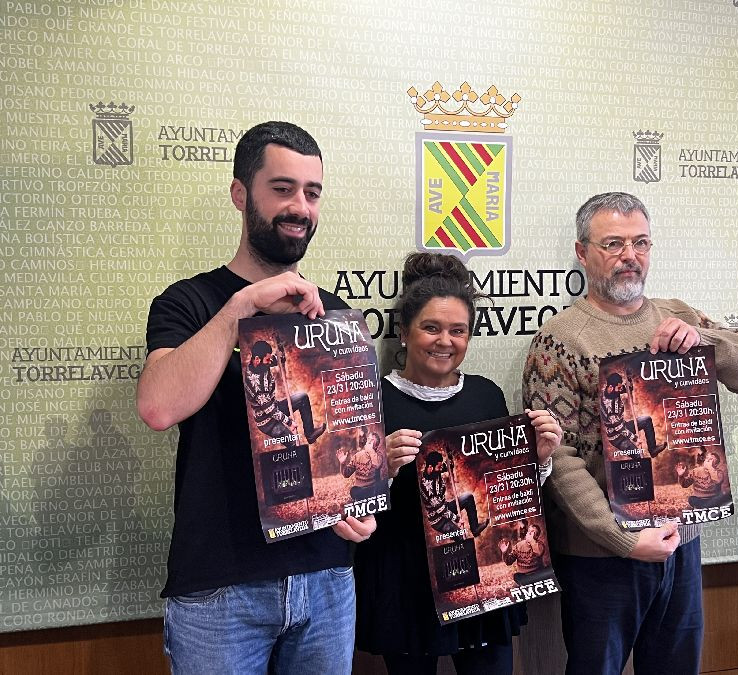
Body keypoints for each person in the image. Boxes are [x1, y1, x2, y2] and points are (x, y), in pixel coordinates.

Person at [136, 121, 375, 675]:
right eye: (282, 189)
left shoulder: (335, 315)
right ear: (241, 194)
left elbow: (345, 440)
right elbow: (158, 407)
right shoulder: (190, 303)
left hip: (326, 578)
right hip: (221, 587)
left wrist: (359, 504)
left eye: (312, 193)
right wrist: (240, 310)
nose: (300, 207)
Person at [522, 191, 738, 675]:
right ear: (582, 252)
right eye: (613, 244)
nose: (629, 256)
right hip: (601, 556)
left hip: (682, 543)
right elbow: (559, 459)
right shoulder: (558, 340)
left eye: (640, 243)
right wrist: (622, 538)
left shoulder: (678, 316)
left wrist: (706, 341)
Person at [353, 252, 562, 675]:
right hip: (404, 580)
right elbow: (343, 499)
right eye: (431, 327)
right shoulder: (372, 399)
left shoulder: (487, 395)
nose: (444, 341)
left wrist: (537, 459)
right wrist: (381, 470)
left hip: (483, 577)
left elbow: (508, 498)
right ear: (403, 332)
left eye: (458, 330)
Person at [419, 449, 487, 540]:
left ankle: (475, 529)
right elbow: (440, 510)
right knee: (461, 538)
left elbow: (448, 466)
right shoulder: (426, 487)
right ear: (430, 467)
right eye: (439, 467)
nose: (441, 469)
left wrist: (449, 457)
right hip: (439, 520)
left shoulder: (435, 470)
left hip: (445, 507)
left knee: (468, 497)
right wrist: (457, 519)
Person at [600, 371, 666, 458]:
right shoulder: (609, 408)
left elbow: (628, 388)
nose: (621, 389)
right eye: (619, 388)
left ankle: (653, 449)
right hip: (617, 437)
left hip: (623, 426)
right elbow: (619, 428)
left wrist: (629, 378)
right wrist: (635, 439)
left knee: (646, 420)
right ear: (611, 387)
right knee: (639, 456)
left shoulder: (612, 390)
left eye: (620, 387)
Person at [338, 426, 385, 502]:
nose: (369, 442)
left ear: (376, 445)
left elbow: (377, 465)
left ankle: (368, 500)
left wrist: (370, 450)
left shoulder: (378, 455)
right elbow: (346, 474)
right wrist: (343, 463)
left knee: (382, 485)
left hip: (373, 488)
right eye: (368, 439)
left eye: (372, 440)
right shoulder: (358, 455)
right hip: (360, 489)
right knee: (354, 490)